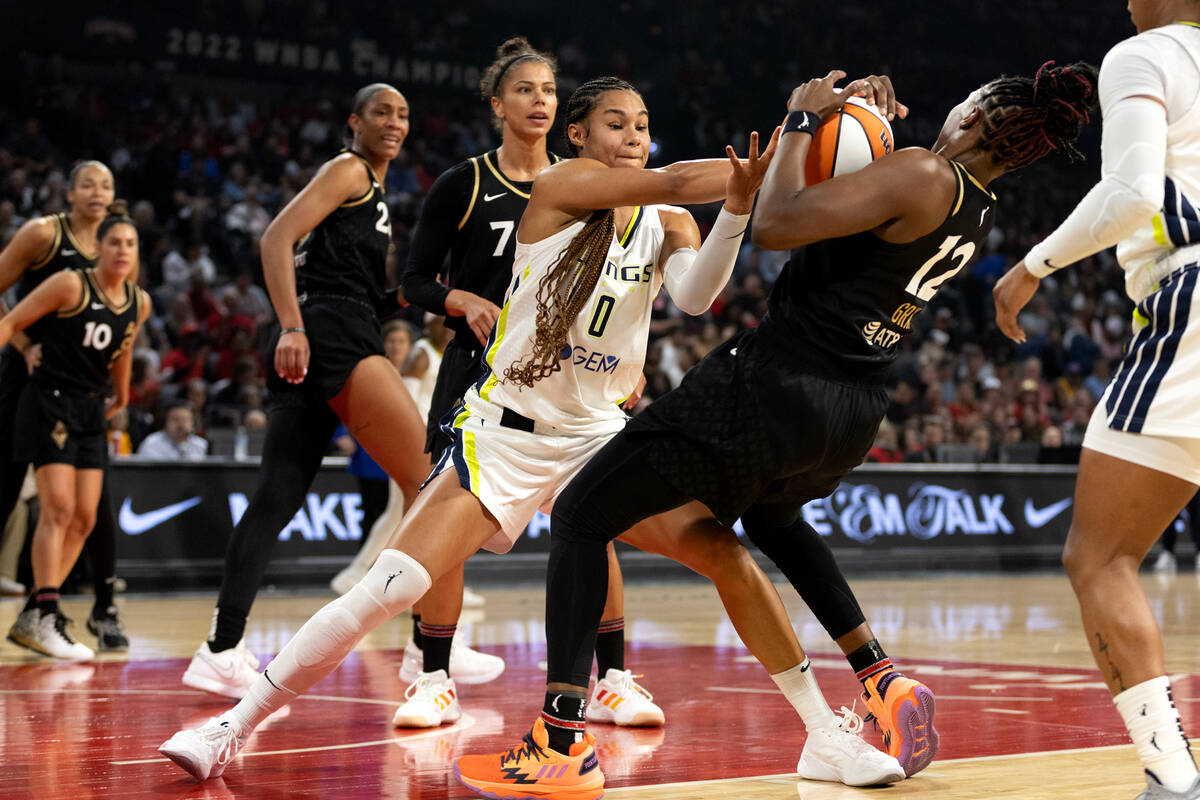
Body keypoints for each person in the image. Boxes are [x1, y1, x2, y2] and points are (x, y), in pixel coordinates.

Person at [160, 75, 905, 789]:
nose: (633, 137)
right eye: (617, 124)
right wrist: (800, 129)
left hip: (599, 436)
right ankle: (232, 724)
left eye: (643, 126)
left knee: (722, 552)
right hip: (507, 433)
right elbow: (680, 178)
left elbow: (699, 295)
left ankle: (821, 735)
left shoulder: (668, 223)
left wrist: (739, 211)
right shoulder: (561, 189)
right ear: (577, 134)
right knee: (388, 589)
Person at [454, 62, 1098, 800]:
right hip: (852, 407)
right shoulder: (975, 203)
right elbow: (871, 208)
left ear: (979, 116)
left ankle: (560, 740)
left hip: (771, 386)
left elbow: (778, 224)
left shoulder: (921, 172)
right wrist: (859, 128)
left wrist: (799, 121)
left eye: (966, 101)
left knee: (578, 516)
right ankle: (877, 678)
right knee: (772, 518)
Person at [994, 8, 1200, 798]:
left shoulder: (1144, 54)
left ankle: (1171, 774)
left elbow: (1131, 192)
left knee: (1099, 556)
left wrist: (1034, 265)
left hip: (1189, 298)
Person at [173, 82, 430, 701]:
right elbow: (274, 240)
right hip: (329, 331)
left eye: (402, 114)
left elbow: (367, 293)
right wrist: (292, 324)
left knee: (277, 497)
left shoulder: (375, 194)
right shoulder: (348, 170)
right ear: (354, 121)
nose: (393, 122)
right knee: (430, 483)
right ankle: (432, 650)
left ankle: (220, 647)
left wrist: (418, 290)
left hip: (329, 329)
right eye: (380, 112)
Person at [396, 36, 574, 692]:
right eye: (525, 89)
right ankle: (431, 669)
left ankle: (606, 673)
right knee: (445, 514)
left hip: (558, 380)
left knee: (587, 516)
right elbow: (411, 281)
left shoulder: (578, 184)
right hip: (474, 369)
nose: (539, 100)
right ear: (498, 104)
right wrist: (458, 296)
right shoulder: (464, 183)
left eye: (549, 90)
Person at [0, 205, 150, 660]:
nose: (122, 250)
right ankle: (48, 614)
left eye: (130, 244)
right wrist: (22, 348)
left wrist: (121, 396)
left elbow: (121, 349)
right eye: (114, 243)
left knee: (85, 517)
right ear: (97, 249)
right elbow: (11, 322)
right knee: (59, 509)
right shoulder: (70, 284)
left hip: (90, 406)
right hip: (50, 399)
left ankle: (32, 615)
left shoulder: (139, 301)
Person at [134, 400, 209, 460]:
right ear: (165, 421)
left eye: (185, 420)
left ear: (193, 423)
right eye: (175, 419)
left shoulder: (201, 445)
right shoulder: (151, 444)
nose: (181, 425)